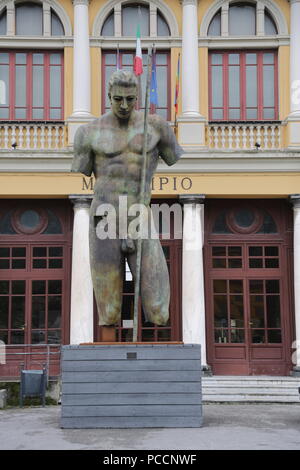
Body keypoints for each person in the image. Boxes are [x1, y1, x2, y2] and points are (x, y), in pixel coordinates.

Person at [71, 70, 183, 330]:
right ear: (109, 96)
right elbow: (83, 168)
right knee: (108, 312)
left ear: (138, 98)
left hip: (138, 216)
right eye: (118, 99)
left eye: (130, 99)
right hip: (104, 216)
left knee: (158, 309)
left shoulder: (156, 127)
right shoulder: (88, 132)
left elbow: (172, 155)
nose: (123, 105)